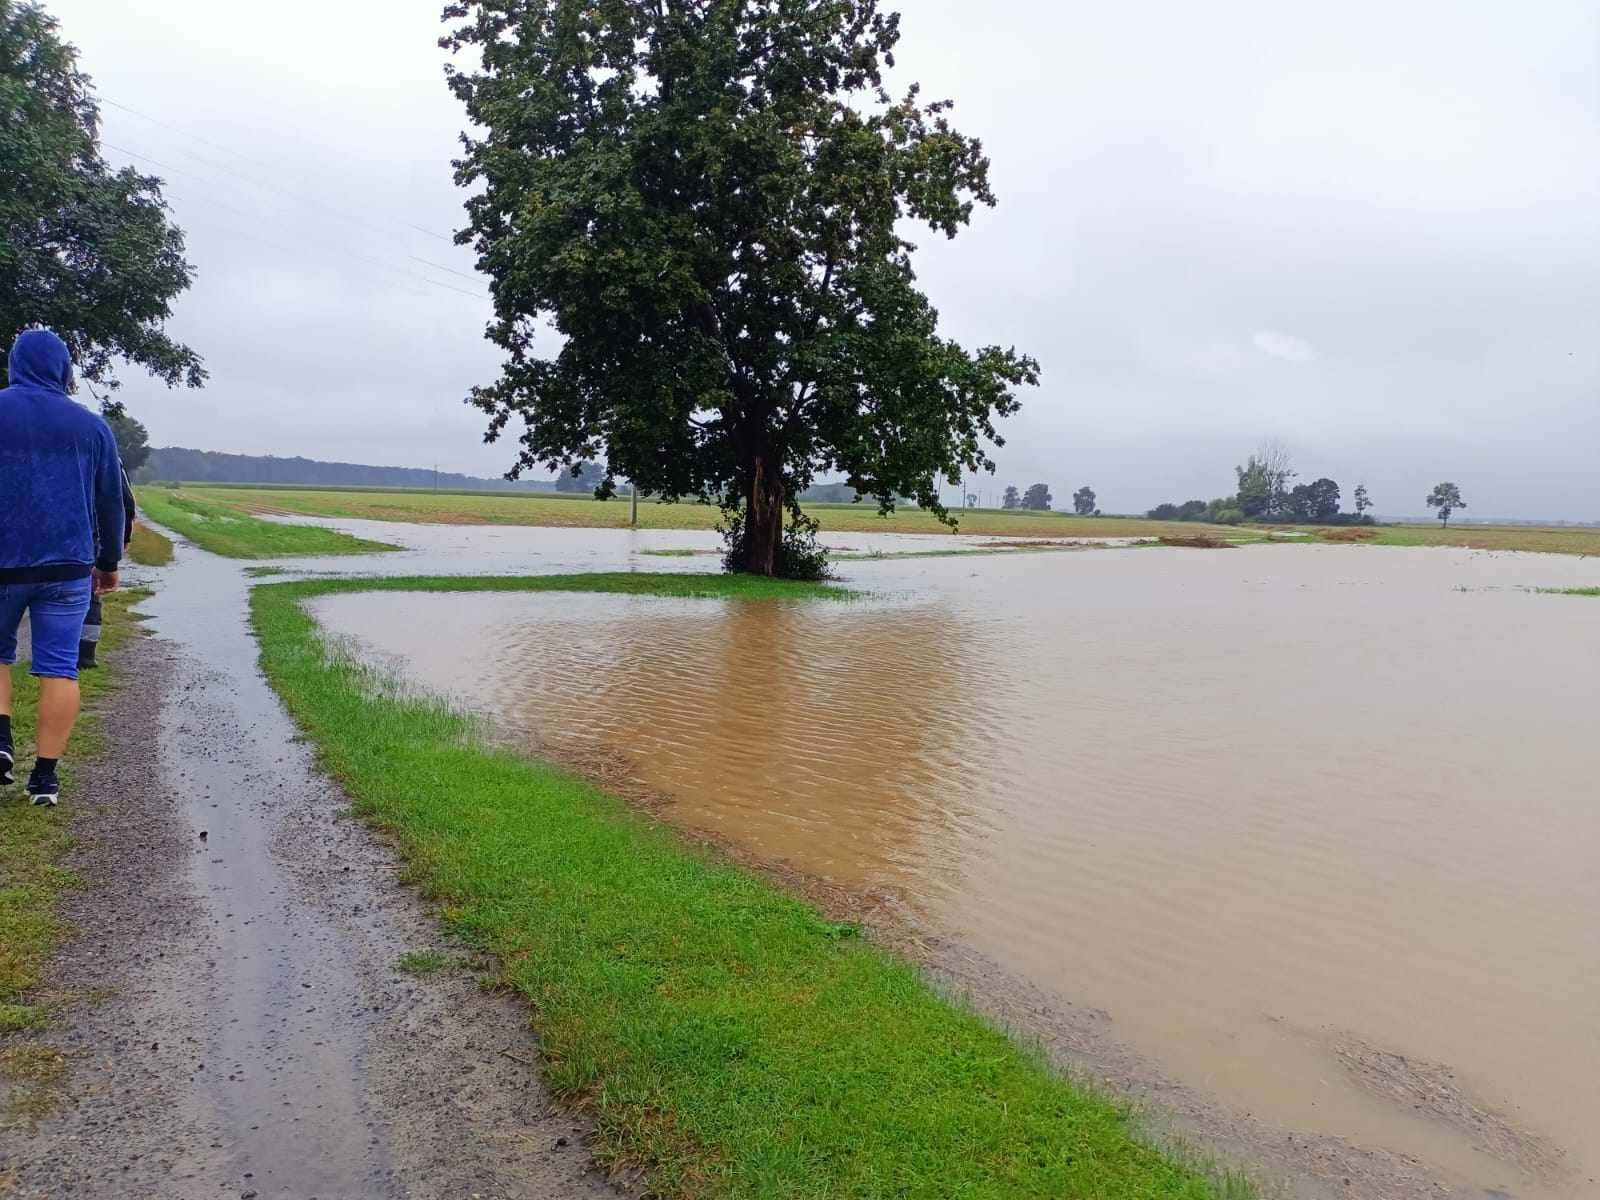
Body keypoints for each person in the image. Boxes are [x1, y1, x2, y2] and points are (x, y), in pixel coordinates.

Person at [0, 329, 125, 806]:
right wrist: (108, 562)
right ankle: (45, 780)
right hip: (68, 567)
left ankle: (1, 742)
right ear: (64, 370)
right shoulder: (91, 427)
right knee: (59, 668)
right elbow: (111, 501)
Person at [78, 468, 136, 671]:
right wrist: (120, 542)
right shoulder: (104, 453)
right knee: (89, 591)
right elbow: (123, 502)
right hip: (85, 538)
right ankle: (85, 654)